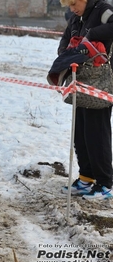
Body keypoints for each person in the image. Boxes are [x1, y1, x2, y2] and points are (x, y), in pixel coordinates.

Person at [59, 0, 113, 200]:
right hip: (80, 83)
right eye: (69, 5)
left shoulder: (104, 11)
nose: (72, 9)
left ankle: (105, 183)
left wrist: (92, 35)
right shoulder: (76, 18)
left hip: (101, 84)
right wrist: (65, 53)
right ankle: (86, 177)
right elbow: (66, 39)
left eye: (74, 3)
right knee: (81, 133)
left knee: (96, 135)